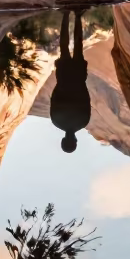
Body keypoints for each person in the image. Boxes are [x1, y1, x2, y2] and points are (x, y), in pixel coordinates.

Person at [49, 10, 91, 153]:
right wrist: (60, 84)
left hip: (78, 78)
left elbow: (86, 99)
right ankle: (66, 15)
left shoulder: (83, 121)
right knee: (64, 47)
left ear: (74, 141)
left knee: (78, 46)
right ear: (63, 140)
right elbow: (54, 99)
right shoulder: (56, 121)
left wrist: (80, 84)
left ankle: (78, 16)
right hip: (64, 78)